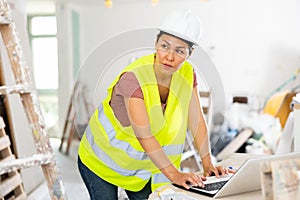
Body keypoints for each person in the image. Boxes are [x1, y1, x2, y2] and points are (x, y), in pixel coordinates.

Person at [77, 10, 233, 200]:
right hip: (101, 162)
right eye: (164, 46)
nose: (169, 56)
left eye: (179, 51)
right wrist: (175, 175)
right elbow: (144, 134)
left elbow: (197, 121)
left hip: (141, 171)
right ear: (155, 44)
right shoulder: (133, 78)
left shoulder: (187, 74)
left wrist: (208, 164)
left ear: (189, 54)